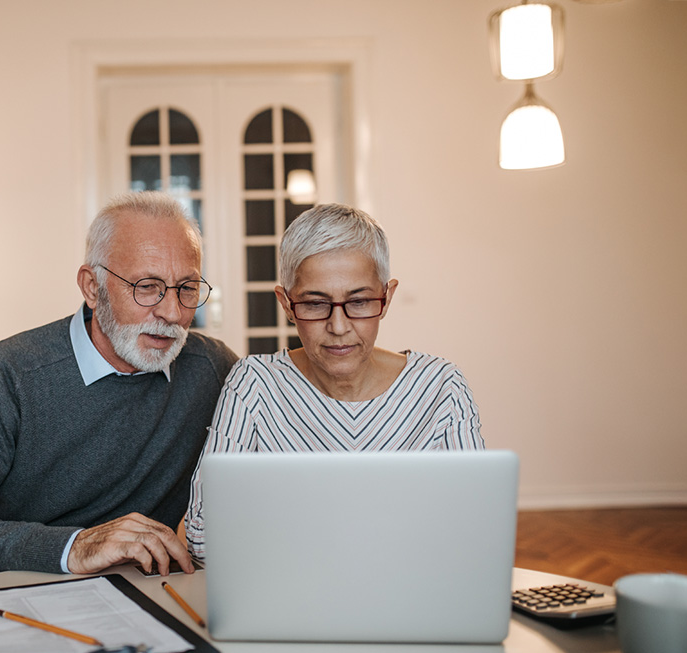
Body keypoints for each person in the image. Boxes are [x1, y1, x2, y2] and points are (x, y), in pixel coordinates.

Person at [0, 192, 237, 581]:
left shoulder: (212, 367)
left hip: (162, 596)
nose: (172, 313)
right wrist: (74, 547)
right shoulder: (13, 374)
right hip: (31, 598)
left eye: (187, 289)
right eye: (147, 286)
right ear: (92, 287)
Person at [183, 203, 485, 561]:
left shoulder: (440, 387)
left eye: (358, 302)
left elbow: (477, 531)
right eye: (314, 304)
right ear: (286, 302)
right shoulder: (254, 384)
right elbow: (201, 535)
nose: (339, 327)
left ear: (386, 297)